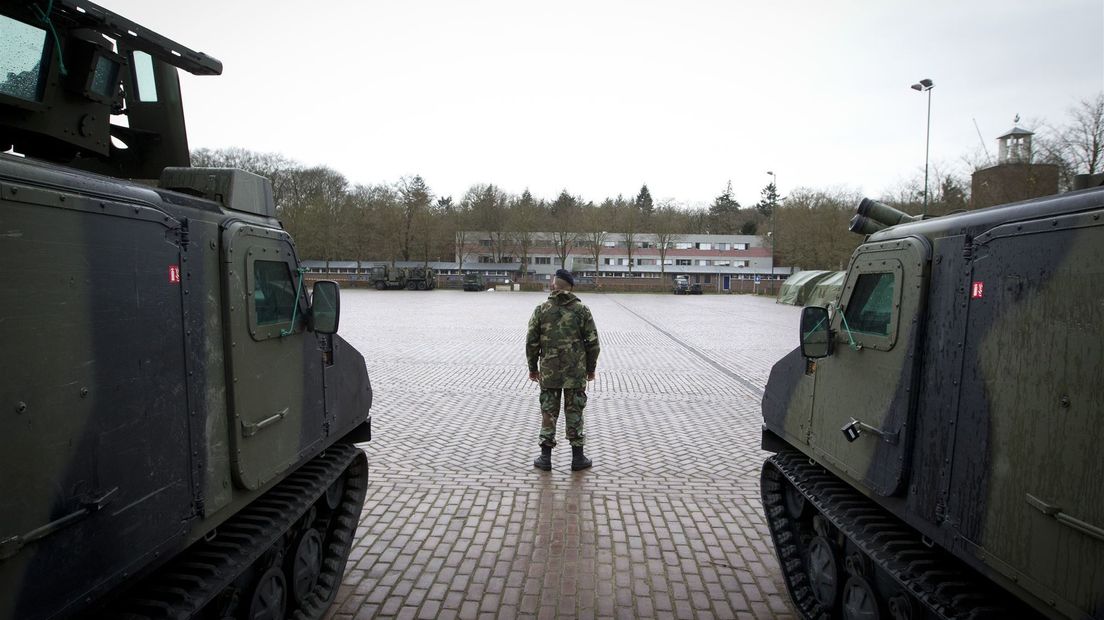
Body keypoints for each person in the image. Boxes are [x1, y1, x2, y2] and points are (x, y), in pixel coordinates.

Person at [526, 268, 601, 471]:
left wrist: (533, 368)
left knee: (548, 412)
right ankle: (578, 458)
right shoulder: (582, 310)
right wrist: (590, 369)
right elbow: (593, 343)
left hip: (550, 372)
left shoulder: (541, 309)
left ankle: (545, 458)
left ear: (554, 285)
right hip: (575, 372)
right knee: (575, 411)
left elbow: (531, 342)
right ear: (570, 287)